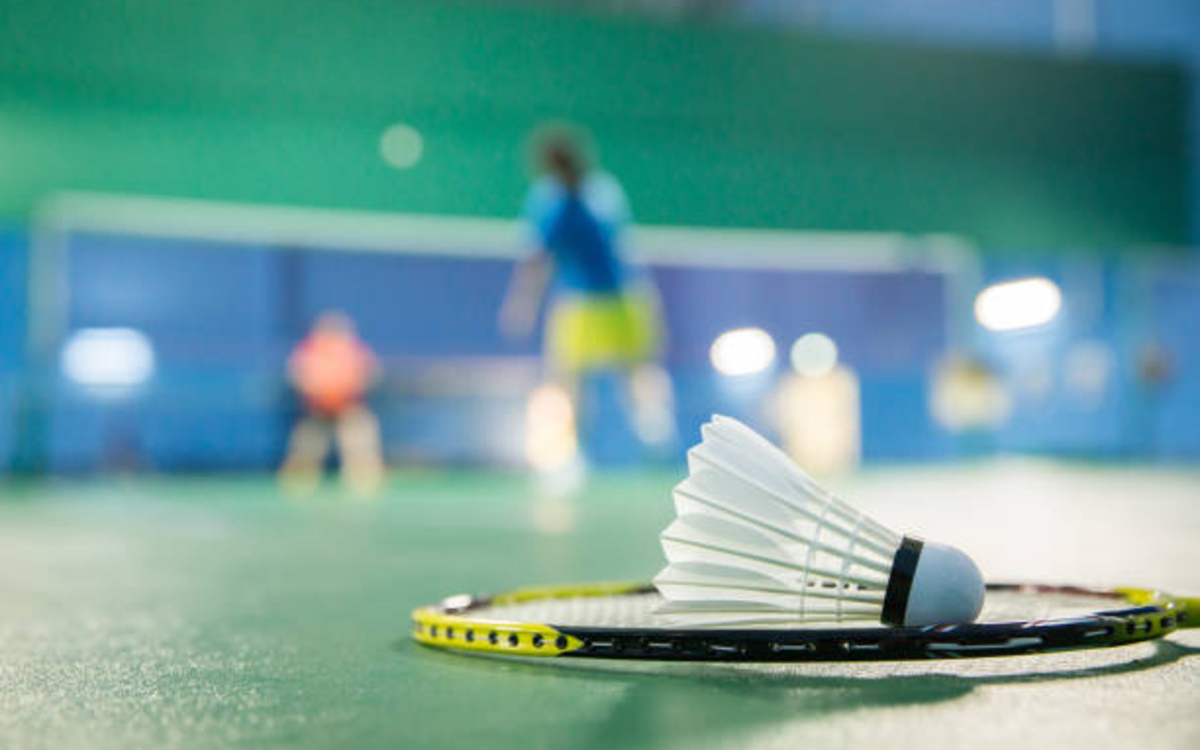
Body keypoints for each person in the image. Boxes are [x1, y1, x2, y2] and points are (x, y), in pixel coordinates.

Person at [499, 124, 675, 466]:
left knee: (638, 373)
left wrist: (650, 304)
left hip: (620, 298)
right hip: (582, 301)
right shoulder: (550, 201)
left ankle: (657, 441)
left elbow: (622, 250)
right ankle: (568, 453)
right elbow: (537, 260)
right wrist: (521, 305)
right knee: (568, 379)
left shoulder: (600, 193)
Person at [278, 311, 384, 496]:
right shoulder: (309, 351)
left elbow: (369, 374)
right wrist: (321, 391)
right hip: (318, 410)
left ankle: (365, 482)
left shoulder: (355, 351)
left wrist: (346, 389)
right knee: (307, 446)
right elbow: (299, 376)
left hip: (350, 408)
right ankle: (297, 483)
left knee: (360, 441)